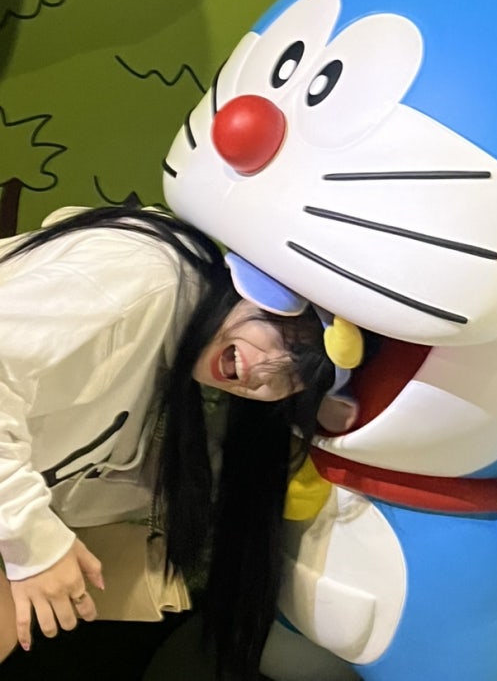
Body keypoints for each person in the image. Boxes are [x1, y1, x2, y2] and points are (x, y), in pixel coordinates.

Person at [0, 205, 336, 680]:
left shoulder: (177, 369)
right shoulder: (148, 276)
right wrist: (34, 543)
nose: (267, 371)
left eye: (301, 377)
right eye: (294, 340)